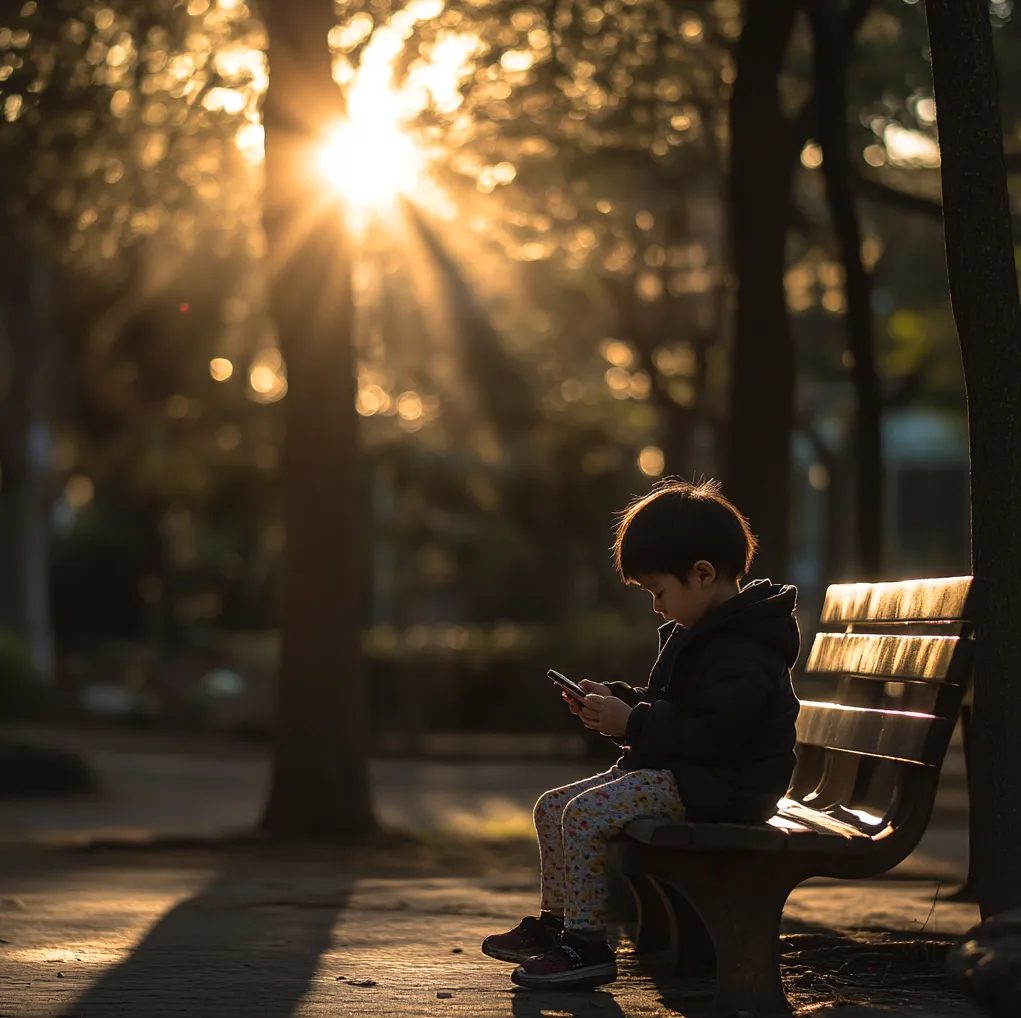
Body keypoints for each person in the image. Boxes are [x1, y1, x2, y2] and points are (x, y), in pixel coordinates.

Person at [480, 478, 801, 990]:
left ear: (702, 574)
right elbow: (672, 708)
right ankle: (556, 923)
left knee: (584, 815)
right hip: (691, 776)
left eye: (658, 591)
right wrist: (619, 700)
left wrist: (632, 723)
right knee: (552, 806)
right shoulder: (700, 634)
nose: (656, 606)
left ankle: (586, 946)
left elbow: (718, 737)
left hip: (729, 786)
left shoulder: (744, 650)